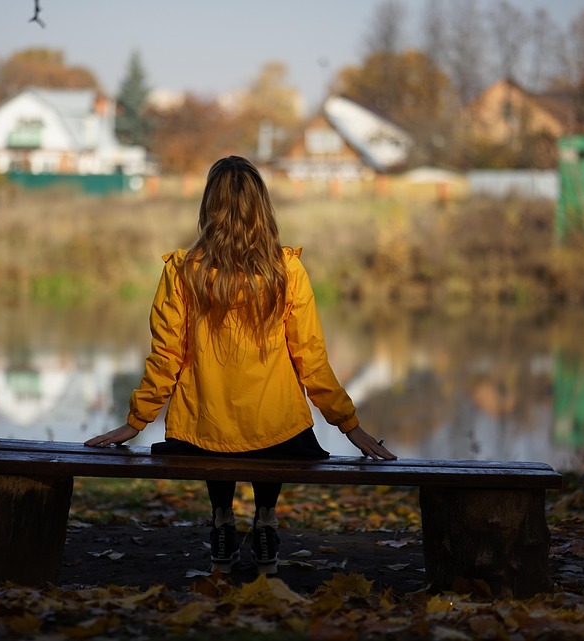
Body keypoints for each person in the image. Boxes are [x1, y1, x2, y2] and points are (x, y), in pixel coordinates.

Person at [85, 156, 396, 575]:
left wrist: (136, 422)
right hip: (280, 438)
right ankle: (266, 517)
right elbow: (312, 359)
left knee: (216, 429)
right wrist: (349, 425)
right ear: (262, 207)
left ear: (207, 207)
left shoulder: (182, 272)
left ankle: (221, 519)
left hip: (200, 436)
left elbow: (165, 358)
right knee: (271, 427)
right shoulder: (286, 270)